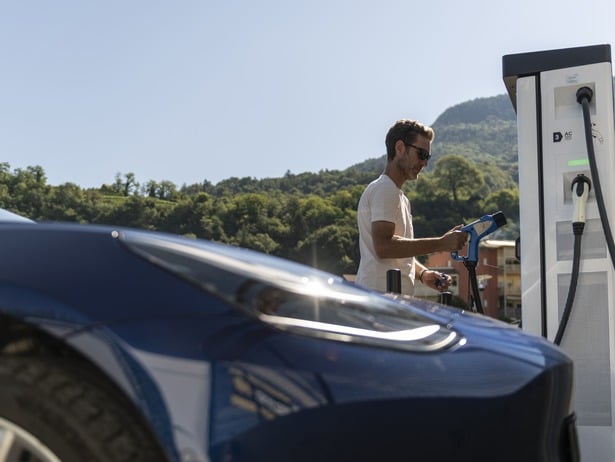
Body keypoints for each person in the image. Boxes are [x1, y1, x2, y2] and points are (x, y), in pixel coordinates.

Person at [355, 119, 468, 295]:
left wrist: (423, 274)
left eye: (427, 156)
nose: (425, 163)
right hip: (380, 301)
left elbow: (396, 254)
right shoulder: (385, 189)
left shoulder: (400, 197)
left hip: (389, 300)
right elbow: (384, 247)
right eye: (421, 154)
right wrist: (441, 243)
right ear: (400, 148)